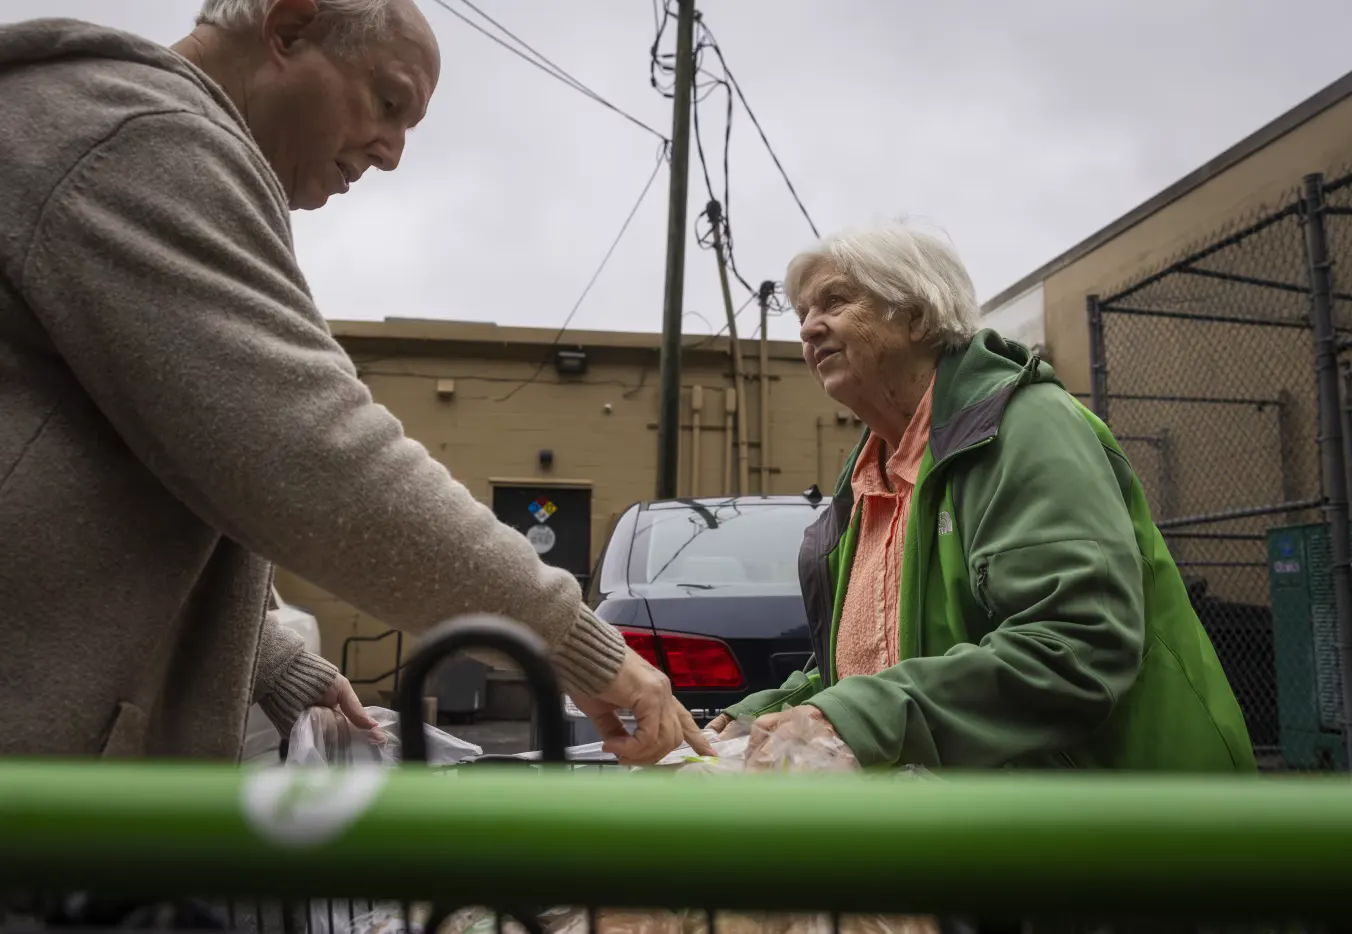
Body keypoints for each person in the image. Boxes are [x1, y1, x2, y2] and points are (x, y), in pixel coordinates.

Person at [0, 0, 710, 765]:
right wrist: (577, 645)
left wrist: (273, 657)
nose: (393, 152)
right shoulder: (137, 139)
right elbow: (311, 453)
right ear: (290, 26)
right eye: (388, 102)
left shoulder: (127, 141)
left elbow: (168, 465)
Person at [707, 221, 1255, 772]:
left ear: (916, 315)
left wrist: (852, 718)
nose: (808, 330)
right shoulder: (870, 476)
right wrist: (767, 713)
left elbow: (1075, 647)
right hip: (981, 824)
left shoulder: (1028, 426)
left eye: (835, 302)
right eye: (802, 315)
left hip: (1130, 826)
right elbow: (873, 660)